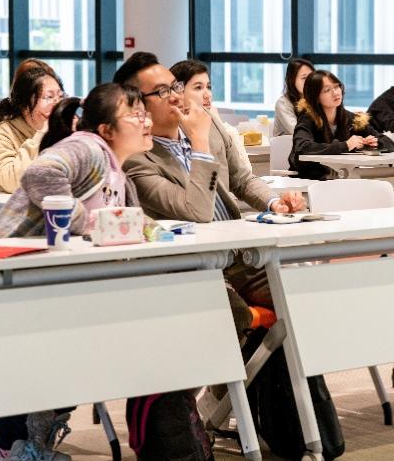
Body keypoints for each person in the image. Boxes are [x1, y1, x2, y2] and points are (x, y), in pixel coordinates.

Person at [0, 82, 151, 461]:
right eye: (135, 114)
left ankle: (31, 439)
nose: (145, 121)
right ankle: (13, 444)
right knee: (58, 349)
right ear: (106, 129)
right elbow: (40, 173)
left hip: (57, 289)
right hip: (10, 279)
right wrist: (83, 221)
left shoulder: (119, 173)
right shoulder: (87, 146)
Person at [113, 52, 304, 311]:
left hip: (240, 253)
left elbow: (242, 179)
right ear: (137, 106)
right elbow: (196, 211)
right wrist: (199, 142)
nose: (176, 96)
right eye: (162, 92)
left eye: (175, 87)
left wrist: (273, 202)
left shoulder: (208, 123)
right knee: (234, 314)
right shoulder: (136, 159)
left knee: (305, 292)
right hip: (194, 265)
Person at [0, 59, 64, 193]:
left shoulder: (61, 131)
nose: (57, 104)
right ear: (24, 104)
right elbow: (14, 182)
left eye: (60, 96)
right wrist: (42, 134)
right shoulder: (2, 133)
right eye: (48, 97)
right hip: (6, 204)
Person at [291, 70, 394, 180]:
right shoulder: (307, 119)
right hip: (310, 179)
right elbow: (302, 147)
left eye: (337, 87)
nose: (335, 93)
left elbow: (390, 144)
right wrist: (345, 146)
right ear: (315, 96)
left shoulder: (352, 119)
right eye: (327, 90)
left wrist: (375, 143)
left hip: (344, 177)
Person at [171, 58, 253, 176]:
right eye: (198, 87)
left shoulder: (214, 123)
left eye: (208, 87)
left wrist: (270, 193)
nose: (207, 95)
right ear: (177, 92)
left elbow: (243, 177)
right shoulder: (172, 134)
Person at [273, 58, 315, 136]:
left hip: (311, 142)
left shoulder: (315, 99)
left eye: (312, 77)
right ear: (292, 80)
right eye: (304, 78)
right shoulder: (283, 103)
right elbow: (298, 132)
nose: (309, 81)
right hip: (286, 143)